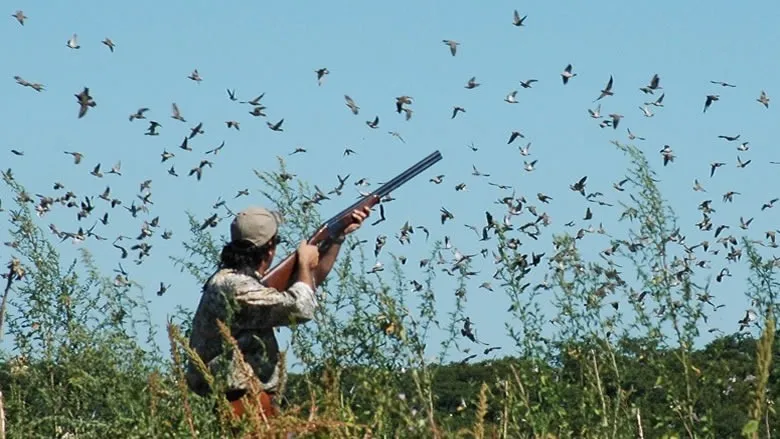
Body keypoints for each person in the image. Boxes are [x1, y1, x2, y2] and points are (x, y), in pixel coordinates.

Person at [185, 205, 370, 419]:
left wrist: (336, 237)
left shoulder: (237, 282)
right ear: (270, 247)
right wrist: (303, 263)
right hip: (243, 406)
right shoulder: (236, 287)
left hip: (252, 402)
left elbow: (308, 285)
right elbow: (301, 307)